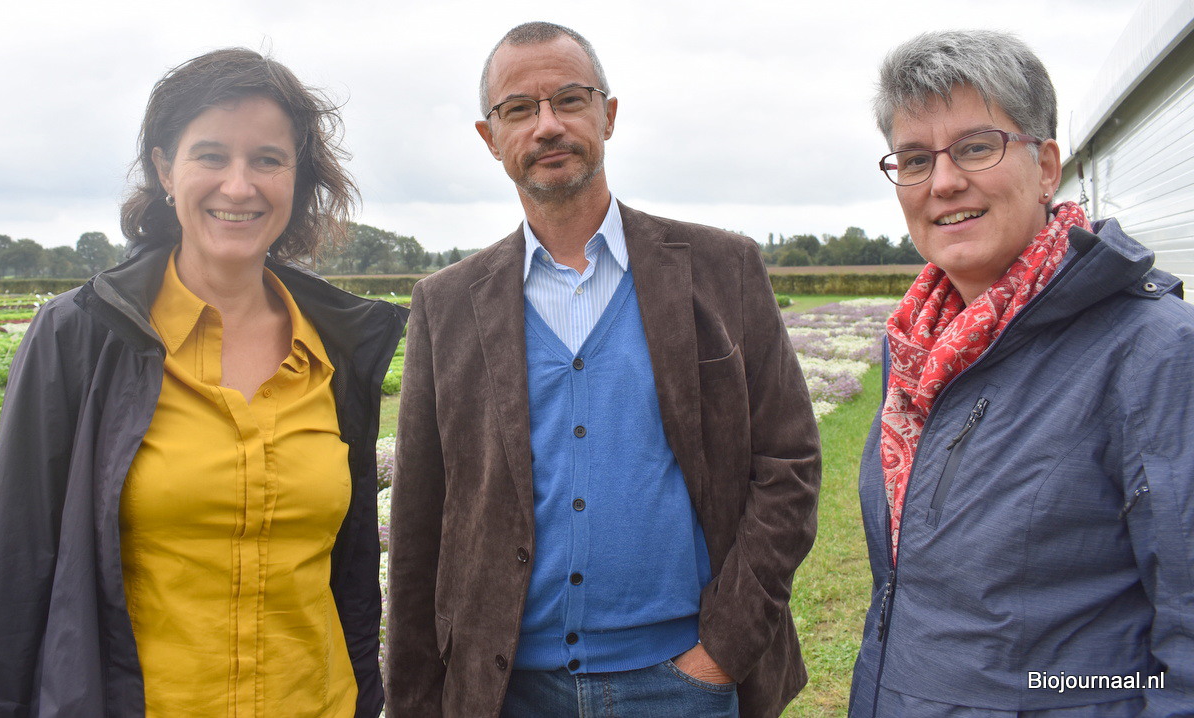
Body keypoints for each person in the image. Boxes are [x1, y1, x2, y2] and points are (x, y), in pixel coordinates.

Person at [385, 21, 821, 718]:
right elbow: (418, 523)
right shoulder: (446, 304)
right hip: (507, 692)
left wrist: (722, 652)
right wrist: (415, 701)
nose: (547, 125)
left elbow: (788, 463)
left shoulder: (722, 269)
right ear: (490, 137)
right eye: (519, 109)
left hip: (682, 684)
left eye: (569, 99)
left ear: (608, 115)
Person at [0, 48, 407, 717]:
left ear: (299, 178)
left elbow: (350, 579)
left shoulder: (337, 352)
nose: (239, 186)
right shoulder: (81, 336)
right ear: (166, 169)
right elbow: (7, 583)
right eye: (211, 155)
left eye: (268, 160)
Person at [850, 30, 1194, 717]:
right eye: (915, 159)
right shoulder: (916, 351)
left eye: (976, 147)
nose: (943, 182)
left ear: (1046, 168)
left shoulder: (1154, 352)